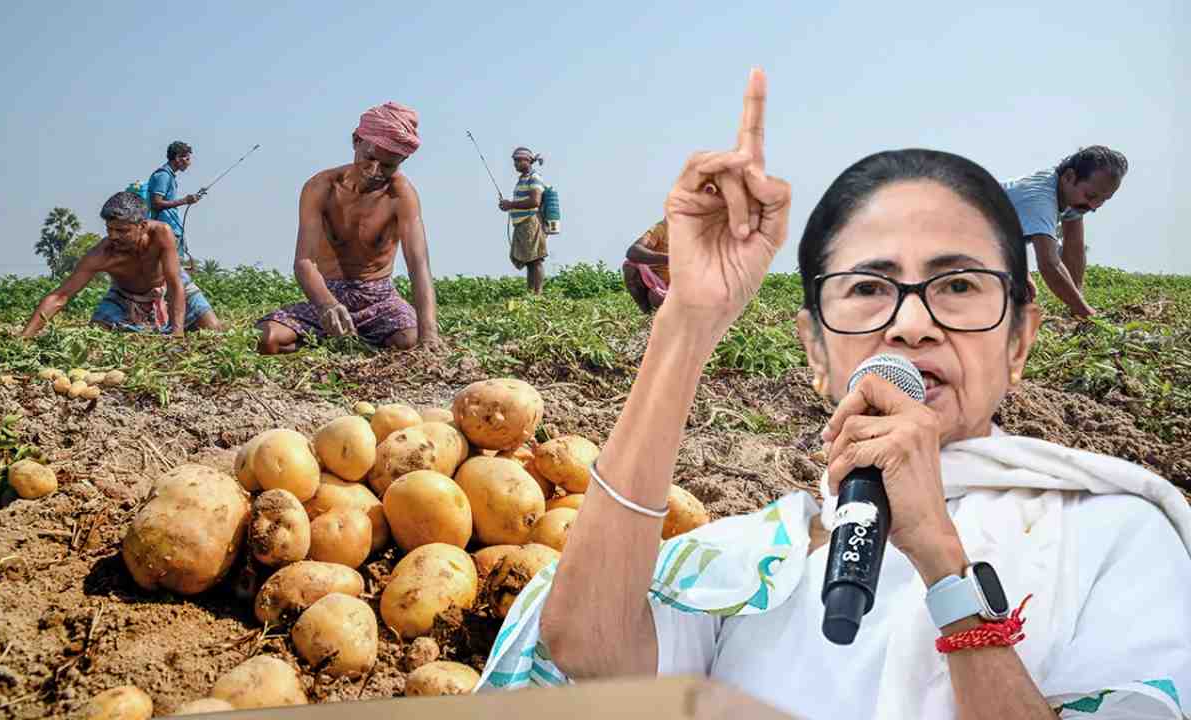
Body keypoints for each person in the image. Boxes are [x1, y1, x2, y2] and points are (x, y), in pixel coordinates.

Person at [477, 70, 1191, 720]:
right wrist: (686, 324)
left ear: (1018, 342)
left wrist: (944, 565)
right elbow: (592, 651)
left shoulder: (1115, 535)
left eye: (958, 286)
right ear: (817, 354)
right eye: (870, 289)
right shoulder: (756, 560)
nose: (912, 325)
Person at [257, 102, 440, 354]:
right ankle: (328, 339)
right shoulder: (320, 187)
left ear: (403, 159)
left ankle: (358, 340)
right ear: (356, 141)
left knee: (409, 341)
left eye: (388, 166)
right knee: (268, 339)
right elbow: (304, 262)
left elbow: (418, 266)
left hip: (380, 299)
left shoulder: (401, 195)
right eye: (370, 158)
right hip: (327, 293)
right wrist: (326, 305)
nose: (375, 171)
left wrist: (428, 334)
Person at [20, 192, 220, 338]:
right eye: (109, 229)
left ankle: (175, 327)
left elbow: (175, 284)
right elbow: (60, 296)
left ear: (142, 226)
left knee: (213, 329)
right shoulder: (102, 254)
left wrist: (177, 334)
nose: (113, 236)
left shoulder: (162, 233)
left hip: (168, 285)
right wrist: (24, 338)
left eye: (122, 231)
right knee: (95, 335)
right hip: (126, 295)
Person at [1001, 146, 1127, 318]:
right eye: (1090, 196)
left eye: (1102, 200)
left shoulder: (1070, 195)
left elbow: (1074, 248)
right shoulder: (1040, 200)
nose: (1093, 206)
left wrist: (1077, 304)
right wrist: (1086, 312)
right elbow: (1049, 264)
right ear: (1069, 177)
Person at [499, 147, 548, 294]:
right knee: (529, 260)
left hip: (530, 222)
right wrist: (508, 205)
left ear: (527, 161)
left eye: (518, 161)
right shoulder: (523, 179)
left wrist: (511, 204)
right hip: (522, 224)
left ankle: (537, 293)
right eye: (515, 161)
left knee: (536, 259)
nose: (515, 164)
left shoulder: (534, 177)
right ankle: (531, 293)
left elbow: (535, 201)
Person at [148, 141, 202, 264]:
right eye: (187, 158)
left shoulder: (170, 176)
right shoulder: (163, 175)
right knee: (169, 269)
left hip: (172, 230)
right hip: (165, 230)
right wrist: (185, 200)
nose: (189, 163)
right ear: (178, 158)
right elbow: (156, 203)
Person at [622, 219, 670, 313]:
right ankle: (647, 312)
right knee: (630, 267)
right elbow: (633, 252)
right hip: (660, 286)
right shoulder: (662, 228)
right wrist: (669, 259)